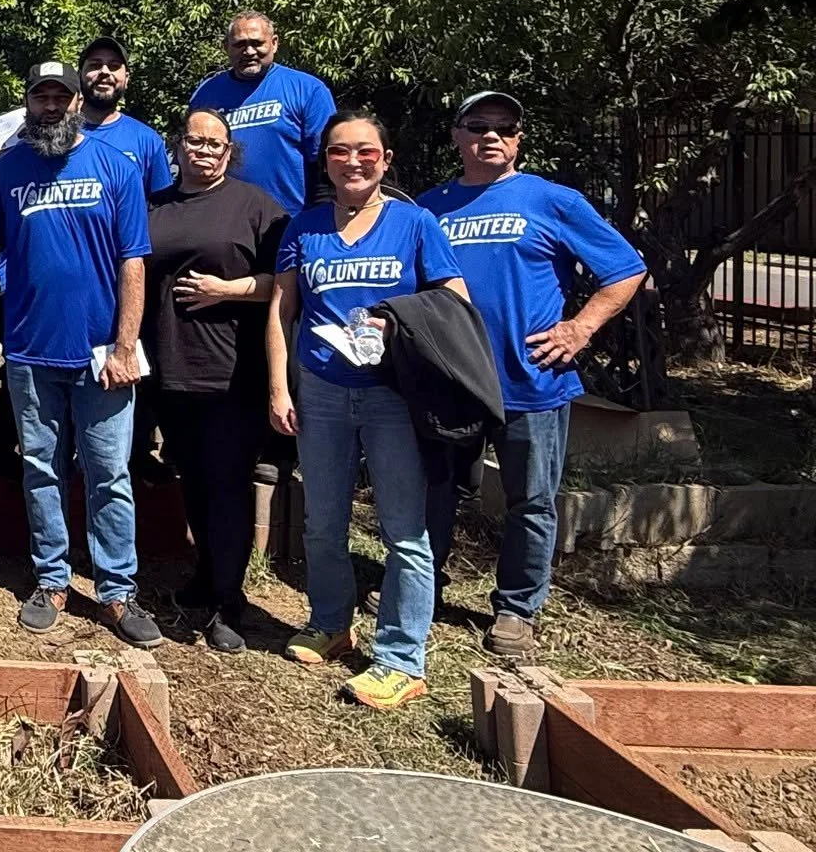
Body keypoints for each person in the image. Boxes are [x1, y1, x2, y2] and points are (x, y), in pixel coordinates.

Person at [416, 91, 646, 659]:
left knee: (531, 501)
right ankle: (423, 588)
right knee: (436, 492)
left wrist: (581, 327)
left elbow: (626, 270)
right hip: (451, 381)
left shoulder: (552, 200)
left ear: (518, 140)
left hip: (531, 381)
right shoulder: (429, 207)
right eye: (477, 125)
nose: (490, 136)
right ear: (456, 135)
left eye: (504, 127)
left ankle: (517, 608)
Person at [266, 108, 467, 711]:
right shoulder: (304, 226)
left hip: (392, 397)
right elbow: (282, 311)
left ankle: (402, 658)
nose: (352, 162)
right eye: (339, 152)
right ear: (324, 161)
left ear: (386, 159)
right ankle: (331, 623)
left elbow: (452, 301)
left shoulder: (416, 224)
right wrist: (281, 388)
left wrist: (400, 323)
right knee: (322, 522)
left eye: (365, 152)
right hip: (322, 393)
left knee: (404, 532)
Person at [0, 62, 161, 647]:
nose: (52, 104)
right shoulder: (7, 170)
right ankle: (52, 580)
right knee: (41, 469)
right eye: (42, 95)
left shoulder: (115, 166)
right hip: (32, 352)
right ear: (28, 102)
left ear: (78, 99)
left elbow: (134, 259)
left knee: (109, 473)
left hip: (102, 353)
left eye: (62, 94)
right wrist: (14, 291)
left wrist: (125, 345)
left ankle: (116, 590)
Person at [141, 109, 286, 653]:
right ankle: (206, 575)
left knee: (228, 485)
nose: (203, 150)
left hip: (232, 371)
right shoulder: (155, 204)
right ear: (177, 146)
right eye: (194, 140)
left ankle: (230, 602)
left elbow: (285, 282)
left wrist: (230, 291)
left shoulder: (256, 207)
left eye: (215, 144)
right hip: (169, 365)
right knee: (194, 481)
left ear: (230, 152)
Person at [188, 12, 335, 217]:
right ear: (226, 47)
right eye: (240, 44)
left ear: (274, 43)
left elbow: (326, 164)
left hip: (290, 221)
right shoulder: (205, 94)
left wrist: (319, 219)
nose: (249, 51)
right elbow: (191, 162)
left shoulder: (308, 90)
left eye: (257, 43)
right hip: (223, 223)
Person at [77, 37, 175, 194]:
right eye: (95, 65)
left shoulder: (147, 140)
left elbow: (162, 208)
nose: (104, 71)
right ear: (79, 74)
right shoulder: (59, 135)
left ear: (127, 79)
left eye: (114, 66)